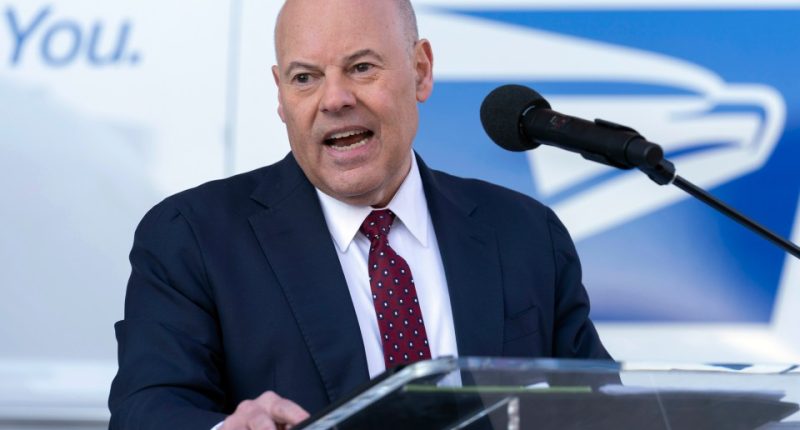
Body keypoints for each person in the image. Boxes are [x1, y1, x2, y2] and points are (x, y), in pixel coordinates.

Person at [108, 0, 610, 428]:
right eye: (306, 78)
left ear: (420, 70)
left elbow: (607, 408)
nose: (335, 99)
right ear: (280, 95)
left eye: (361, 67)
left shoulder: (525, 233)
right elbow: (147, 408)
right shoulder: (192, 236)